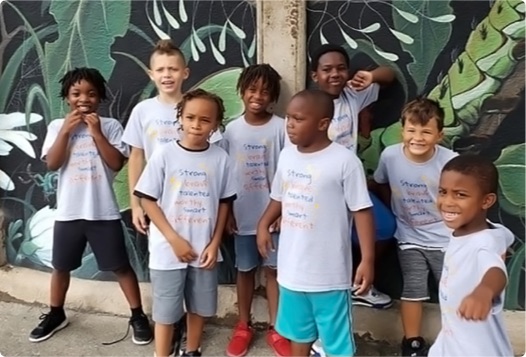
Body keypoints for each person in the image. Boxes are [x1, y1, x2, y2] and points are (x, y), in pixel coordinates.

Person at [29, 68, 152, 345]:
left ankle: (137, 315)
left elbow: (116, 163)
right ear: (67, 97)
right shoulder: (57, 127)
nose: (83, 99)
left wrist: (96, 133)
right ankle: (56, 313)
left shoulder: (110, 127)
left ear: (100, 98)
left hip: (102, 213)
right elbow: (53, 163)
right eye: (76, 94)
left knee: (120, 266)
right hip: (69, 213)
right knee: (60, 266)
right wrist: (66, 131)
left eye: (91, 94)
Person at [257, 89, 376, 357]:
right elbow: (279, 196)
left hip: (329, 276)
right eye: (288, 117)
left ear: (323, 124)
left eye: (298, 119)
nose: (289, 124)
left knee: (337, 345)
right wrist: (264, 224)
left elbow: (362, 211)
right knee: (298, 335)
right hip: (291, 272)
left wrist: (367, 259)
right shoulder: (287, 156)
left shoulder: (345, 162)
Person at [134, 89, 237, 357]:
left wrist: (215, 244)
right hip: (167, 251)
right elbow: (147, 200)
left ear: (216, 124)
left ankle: (192, 350)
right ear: (180, 117)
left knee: (199, 307)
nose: (196, 124)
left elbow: (225, 203)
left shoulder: (221, 159)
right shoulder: (164, 154)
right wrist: (174, 239)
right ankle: (162, 353)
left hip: (204, 251)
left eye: (205, 119)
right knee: (166, 311)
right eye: (190, 117)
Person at [309, 43, 396, 309]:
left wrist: (370, 76)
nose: (334, 74)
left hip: (352, 186)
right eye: (327, 69)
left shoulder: (352, 96)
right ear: (315, 76)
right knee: (331, 245)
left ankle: (358, 284)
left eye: (340, 68)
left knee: (385, 227)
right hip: (321, 192)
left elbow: (390, 75)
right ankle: (336, 294)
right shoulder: (308, 106)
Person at [372, 98, 458, 356]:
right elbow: (380, 183)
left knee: (452, 290)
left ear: (439, 135)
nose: (417, 137)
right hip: (409, 238)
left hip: (446, 239)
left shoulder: (450, 161)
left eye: (426, 131)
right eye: (412, 130)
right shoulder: (390, 156)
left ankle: (456, 341)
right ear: (402, 131)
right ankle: (412, 343)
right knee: (413, 288)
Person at [221, 64, 290, 357]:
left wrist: (284, 211)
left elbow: (290, 172)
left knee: (274, 272)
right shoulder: (231, 131)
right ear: (242, 91)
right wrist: (228, 214)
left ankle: (278, 329)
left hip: (273, 219)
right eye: (252, 89)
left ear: (273, 96)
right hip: (243, 216)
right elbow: (224, 176)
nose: (258, 96)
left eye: (265, 91)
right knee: (245, 270)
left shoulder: (282, 128)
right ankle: (242, 325)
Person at [429, 154, 514, 356]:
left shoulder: (482, 244)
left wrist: (484, 291)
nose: (447, 202)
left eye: (460, 195)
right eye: (443, 192)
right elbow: (505, 236)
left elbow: (496, 272)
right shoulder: (490, 233)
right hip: (450, 342)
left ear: (487, 201)